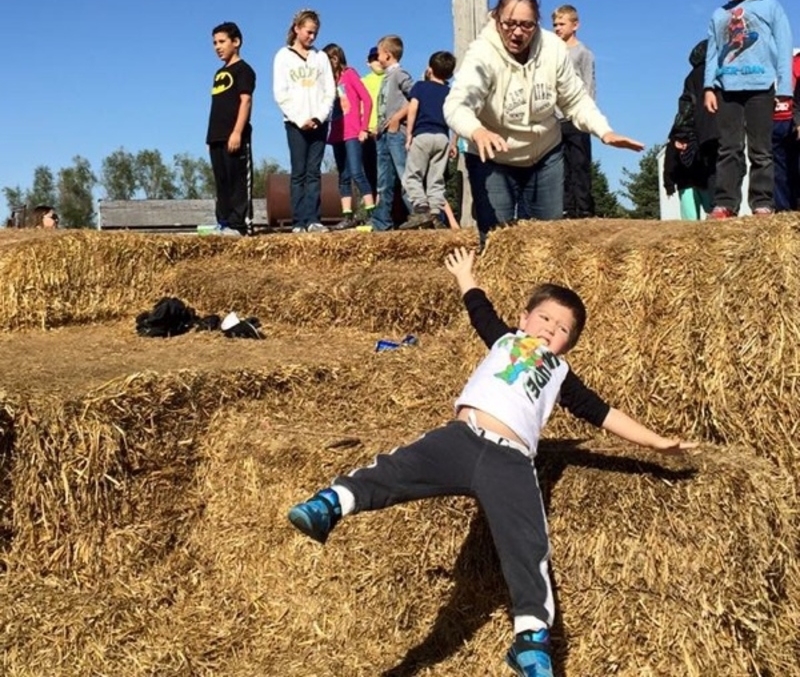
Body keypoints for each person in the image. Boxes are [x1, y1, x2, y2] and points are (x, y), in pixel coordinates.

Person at [288, 247, 697, 677]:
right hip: (461, 439)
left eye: (562, 331)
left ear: (568, 345)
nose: (550, 331)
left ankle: (531, 640)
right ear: (524, 319)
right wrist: (466, 276)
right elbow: (479, 311)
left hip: (512, 461)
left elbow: (603, 413)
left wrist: (656, 443)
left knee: (528, 545)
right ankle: (331, 504)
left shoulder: (559, 373)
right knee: (396, 470)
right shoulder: (505, 339)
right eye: (545, 319)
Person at [444, 0, 643, 244]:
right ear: (496, 19)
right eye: (509, 24)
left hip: (545, 157)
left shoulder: (553, 49)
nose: (517, 32)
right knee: (496, 243)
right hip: (493, 158)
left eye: (526, 25)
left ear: (536, 24)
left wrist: (604, 130)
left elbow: (575, 99)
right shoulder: (481, 54)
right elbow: (456, 104)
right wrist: (477, 130)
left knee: (547, 243)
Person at [703, 0, 793, 219]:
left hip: (760, 88)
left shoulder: (770, 7)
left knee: (761, 149)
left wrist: (785, 89)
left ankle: (762, 202)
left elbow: (784, 44)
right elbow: (713, 52)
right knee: (728, 148)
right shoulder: (719, 14)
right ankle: (726, 203)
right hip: (727, 89)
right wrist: (709, 86)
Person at [273, 9, 335, 233]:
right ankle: (299, 221)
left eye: (315, 33)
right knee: (298, 170)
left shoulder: (321, 58)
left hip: (319, 122)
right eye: (308, 32)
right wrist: (300, 119)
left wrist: (319, 116)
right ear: (297, 29)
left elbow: (330, 91)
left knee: (314, 171)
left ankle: (313, 219)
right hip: (295, 123)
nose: (311, 37)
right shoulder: (283, 56)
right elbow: (280, 93)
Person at [206, 21, 256, 236]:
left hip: (235, 136)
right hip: (216, 136)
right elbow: (217, 107)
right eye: (215, 43)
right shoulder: (219, 73)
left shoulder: (244, 70)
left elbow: (245, 102)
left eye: (222, 42)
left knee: (237, 181)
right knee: (222, 182)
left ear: (236, 42)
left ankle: (239, 224)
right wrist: (210, 139)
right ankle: (224, 221)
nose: (217, 47)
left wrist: (236, 132)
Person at [400, 50, 458, 229]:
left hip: (423, 135)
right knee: (436, 179)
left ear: (430, 69)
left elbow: (413, 109)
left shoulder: (420, 87)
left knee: (412, 176)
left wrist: (409, 134)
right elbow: (455, 118)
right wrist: (453, 143)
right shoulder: (450, 93)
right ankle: (435, 214)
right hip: (442, 138)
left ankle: (421, 208)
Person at [322, 43, 376, 229]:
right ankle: (347, 216)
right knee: (343, 176)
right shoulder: (329, 82)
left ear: (335, 59)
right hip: (337, 133)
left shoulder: (350, 74)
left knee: (356, 172)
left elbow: (367, 100)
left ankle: (372, 214)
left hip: (353, 132)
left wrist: (364, 128)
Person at [664, 40, 719, 220]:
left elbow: (686, 107)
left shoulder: (692, 76)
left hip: (703, 133)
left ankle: (717, 211)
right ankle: (723, 210)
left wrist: (680, 132)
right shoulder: (724, 70)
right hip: (725, 128)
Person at [552, 5, 596, 219]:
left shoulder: (583, 53)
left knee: (579, 163)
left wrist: (587, 112)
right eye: (555, 24)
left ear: (575, 25)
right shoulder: (553, 53)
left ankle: (584, 208)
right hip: (556, 118)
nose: (557, 28)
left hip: (577, 116)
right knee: (562, 166)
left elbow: (588, 83)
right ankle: (567, 207)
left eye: (562, 24)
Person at [370, 35, 414, 232]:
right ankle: (381, 221)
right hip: (383, 134)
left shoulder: (400, 74)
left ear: (387, 55)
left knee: (404, 174)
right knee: (384, 179)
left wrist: (397, 118)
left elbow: (415, 97)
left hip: (396, 134)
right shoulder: (386, 77)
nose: (376, 57)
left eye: (378, 53)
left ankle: (417, 214)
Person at [771, 50, 800, 212]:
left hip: (785, 118)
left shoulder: (770, 64)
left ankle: (784, 208)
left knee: (780, 169)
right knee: (784, 168)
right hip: (783, 119)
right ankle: (785, 209)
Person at [360, 46, 384, 197]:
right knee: (369, 172)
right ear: (368, 62)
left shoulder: (391, 78)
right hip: (367, 134)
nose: (377, 61)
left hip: (386, 132)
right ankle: (373, 210)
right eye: (373, 58)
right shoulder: (362, 81)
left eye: (379, 57)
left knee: (388, 174)